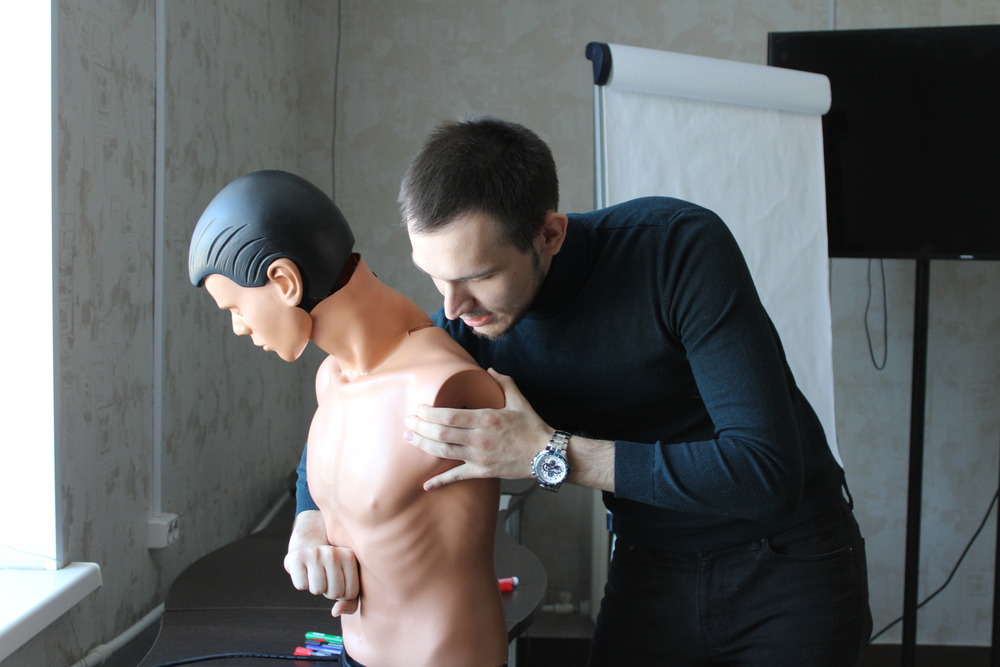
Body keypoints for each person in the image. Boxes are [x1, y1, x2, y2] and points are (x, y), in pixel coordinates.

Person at [289, 117, 873, 665]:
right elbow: (357, 400)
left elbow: (765, 473)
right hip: (648, 563)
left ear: (550, 234)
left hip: (788, 562)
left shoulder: (676, 248)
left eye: (479, 276)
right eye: (436, 277)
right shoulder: (468, 324)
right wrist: (310, 518)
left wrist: (549, 453)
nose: (453, 306)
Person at [189, 169, 509, 667]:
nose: (238, 327)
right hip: (353, 652)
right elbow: (334, 506)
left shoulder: (441, 386)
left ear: (284, 282)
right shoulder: (331, 380)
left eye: (235, 306)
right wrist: (310, 536)